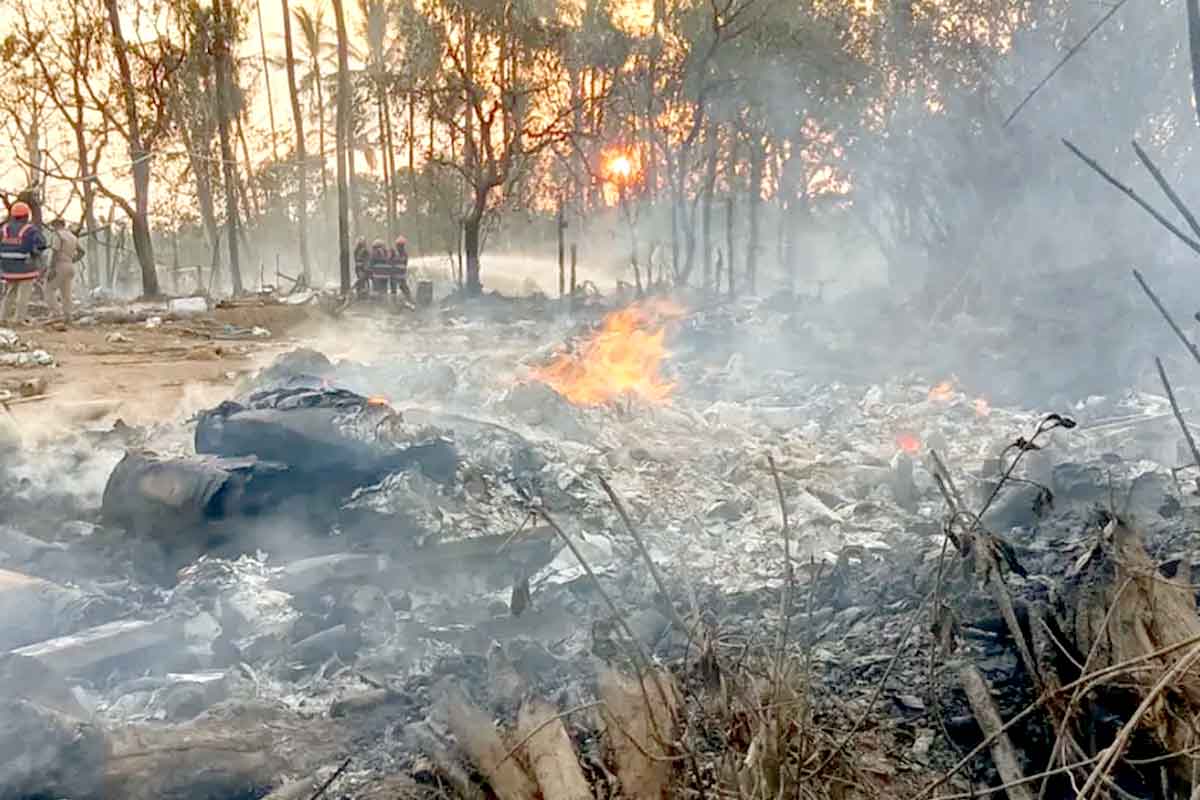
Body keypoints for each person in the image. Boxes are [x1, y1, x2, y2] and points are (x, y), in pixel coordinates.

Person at [0, 202, 47, 325]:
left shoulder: (4, 229)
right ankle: (18, 320)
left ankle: (2, 318)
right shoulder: (30, 229)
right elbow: (42, 244)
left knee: (9, 293)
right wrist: (35, 253)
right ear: (26, 216)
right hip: (26, 267)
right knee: (23, 294)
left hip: (8, 268)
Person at [45, 219, 79, 322]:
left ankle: (56, 314)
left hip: (59, 265)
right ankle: (68, 316)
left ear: (57, 224)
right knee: (66, 293)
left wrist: (52, 269)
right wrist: (72, 260)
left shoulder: (58, 235)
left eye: (53, 226)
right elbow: (82, 252)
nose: (53, 228)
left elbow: (55, 252)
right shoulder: (72, 236)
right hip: (69, 265)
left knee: (48, 289)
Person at [390, 235, 413, 303]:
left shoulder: (404, 254)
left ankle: (409, 300)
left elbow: (405, 264)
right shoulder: (394, 253)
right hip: (395, 275)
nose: (401, 247)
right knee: (394, 290)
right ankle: (394, 302)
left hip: (400, 275)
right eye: (399, 245)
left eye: (402, 245)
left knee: (405, 289)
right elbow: (389, 262)